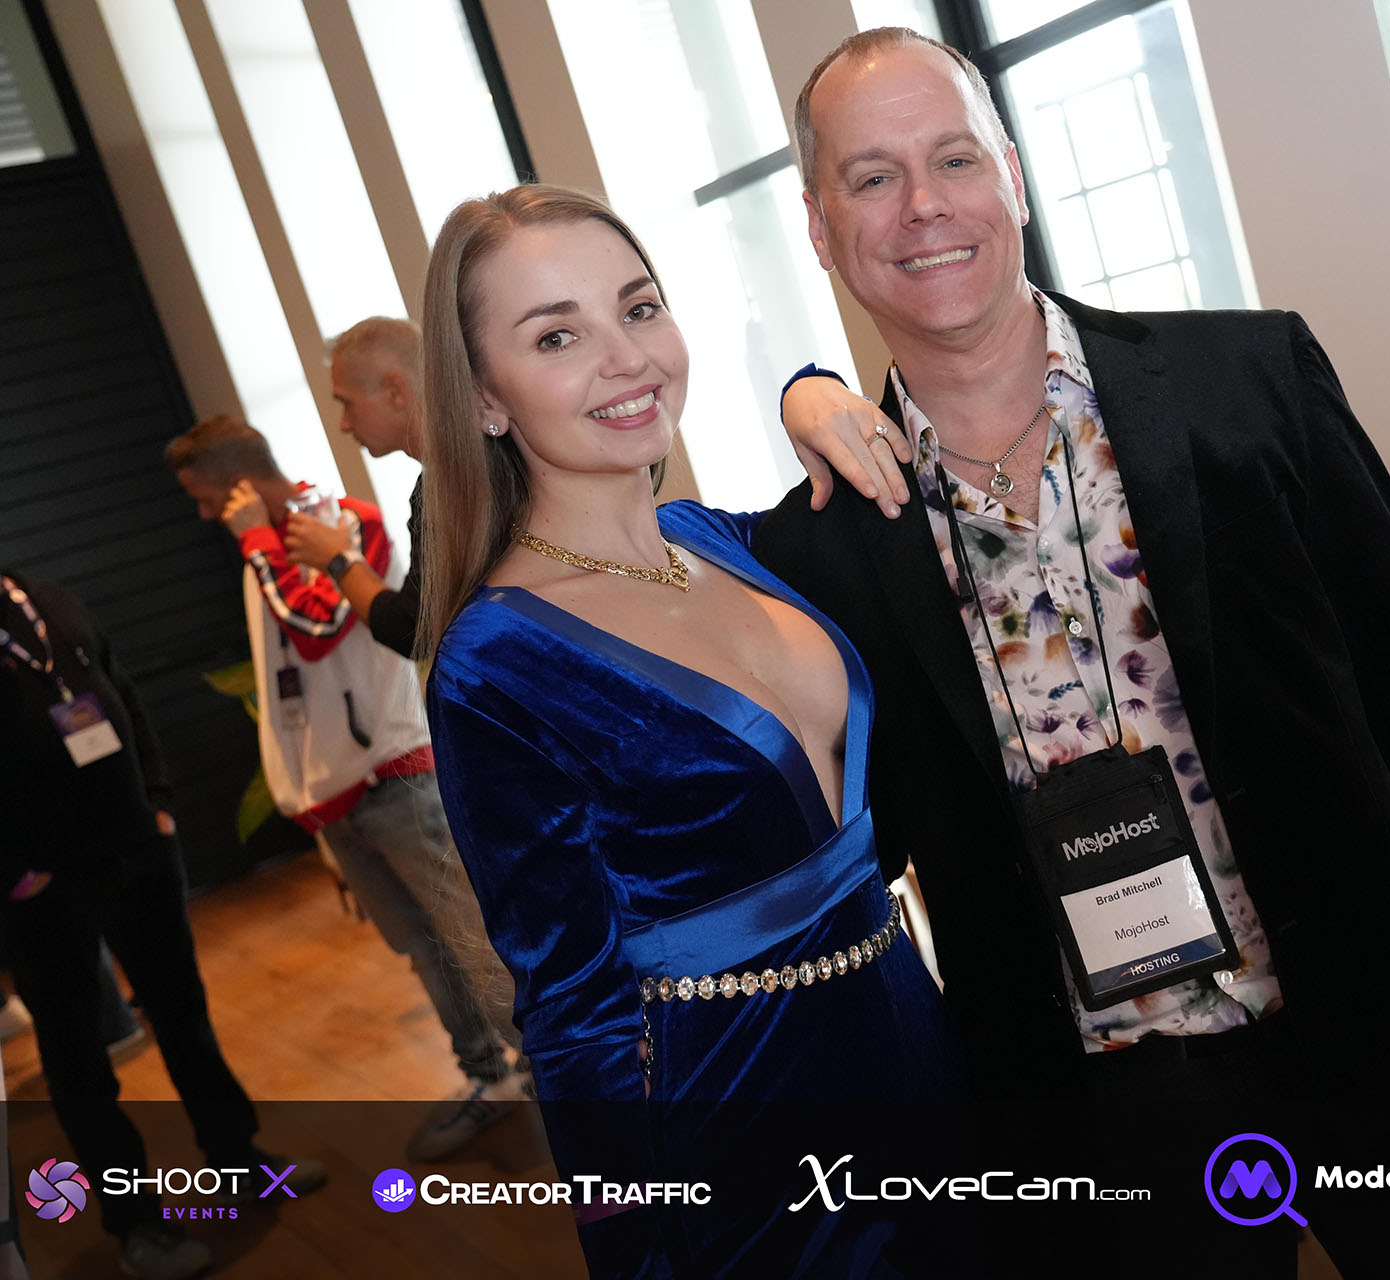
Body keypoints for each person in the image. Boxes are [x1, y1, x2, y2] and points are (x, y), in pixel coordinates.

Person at [758, 28, 1390, 1274]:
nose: (924, 204)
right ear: (821, 227)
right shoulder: (822, 541)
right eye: (873, 177)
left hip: (1369, 1022)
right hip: (1094, 1102)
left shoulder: (1249, 380)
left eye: (954, 158)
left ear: (1012, 175)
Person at [416, 183, 959, 1278]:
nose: (627, 358)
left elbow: (882, 498)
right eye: (558, 335)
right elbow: (569, 1004)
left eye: (639, 308)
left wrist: (810, 388)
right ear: (482, 398)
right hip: (742, 1112)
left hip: (914, 1036)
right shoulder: (495, 661)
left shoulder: (717, 540)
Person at [165, 421, 525, 1161]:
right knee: (421, 947)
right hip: (336, 791)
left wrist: (256, 542)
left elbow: (318, 625)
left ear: (240, 484)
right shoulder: (266, 549)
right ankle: (489, 1078)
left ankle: (564, 1076)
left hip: (395, 773)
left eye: (207, 498)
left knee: (473, 936)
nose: (204, 515)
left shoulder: (344, 522)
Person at [0, 569, 321, 1280]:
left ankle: (238, 1161)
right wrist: (13, 874)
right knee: (80, 1062)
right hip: (43, 890)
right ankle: (138, 1225)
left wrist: (159, 800)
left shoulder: (45, 598)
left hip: (136, 847)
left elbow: (124, 693)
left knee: (184, 1016)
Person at [284, 317, 427, 659]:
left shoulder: (444, 489)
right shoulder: (453, 470)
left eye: (346, 402)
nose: (344, 424)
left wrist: (338, 559)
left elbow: (414, 629)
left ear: (395, 391)